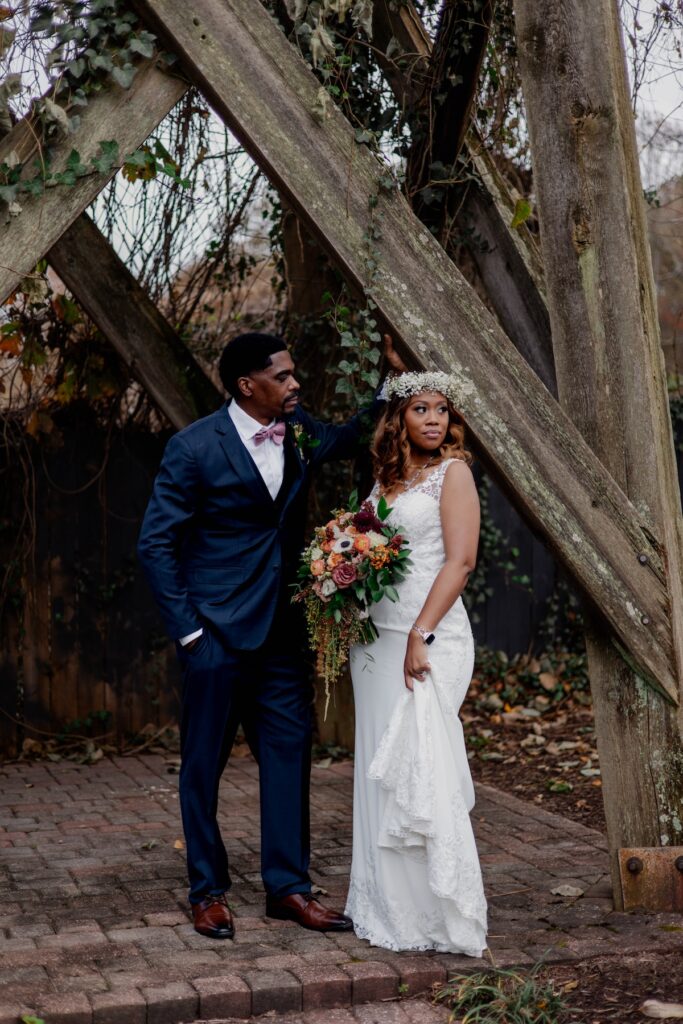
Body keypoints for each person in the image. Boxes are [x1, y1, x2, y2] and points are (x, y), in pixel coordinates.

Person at [137, 332, 395, 940]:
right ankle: (207, 891)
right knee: (204, 766)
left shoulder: (300, 430)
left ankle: (289, 888)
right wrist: (191, 633)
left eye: (293, 372)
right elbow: (155, 545)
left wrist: (393, 378)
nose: (295, 383)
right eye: (282, 376)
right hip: (216, 636)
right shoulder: (194, 447)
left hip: (282, 633)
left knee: (289, 757)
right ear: (247, 385)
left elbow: (355, 433)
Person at [345, 371, 488, 955]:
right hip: (375, 641)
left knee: (420, 765)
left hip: (426, 638)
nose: (433, 420)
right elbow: (361, 544)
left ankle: (437, 914)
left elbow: (461, 562)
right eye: (420, 409)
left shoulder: (454, 476)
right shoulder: (386, 479)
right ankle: (385, 905)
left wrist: (420, 634)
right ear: (398, 420)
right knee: (380, 764)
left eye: (442, 411)